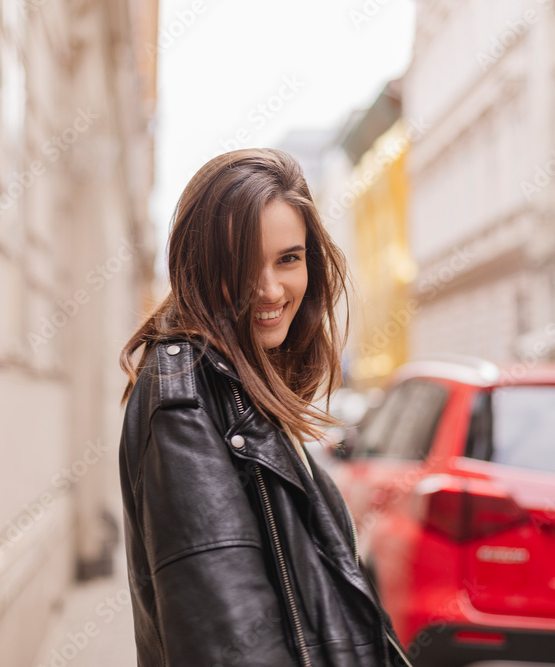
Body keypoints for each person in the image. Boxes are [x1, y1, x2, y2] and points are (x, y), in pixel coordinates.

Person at [117, 148, 413, 666]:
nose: (271, 289)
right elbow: (231, 645)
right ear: (198, 266)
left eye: (288, 259)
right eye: (242, 263)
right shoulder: (184, 398)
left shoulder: (245, 383)